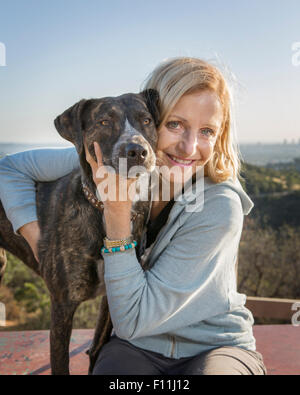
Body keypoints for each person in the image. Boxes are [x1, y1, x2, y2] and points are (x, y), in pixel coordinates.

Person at [0, 57, 267, 375]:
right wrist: (35, 237)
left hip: (214, 346)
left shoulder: (219, 206)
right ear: (155, 120)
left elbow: (132, 317)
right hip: (138, 346)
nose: (188, 146)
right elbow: (11, 168)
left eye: (207, 131)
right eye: (174, 124)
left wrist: (115, 213)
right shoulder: (113, 161)